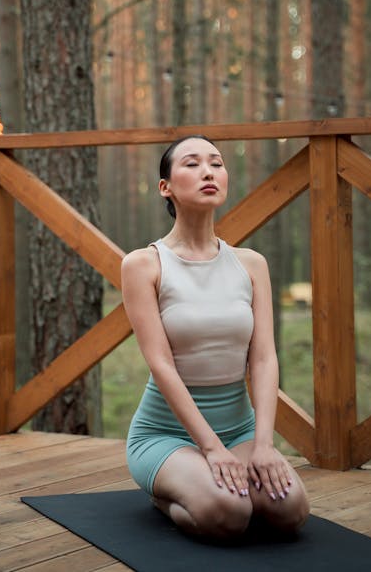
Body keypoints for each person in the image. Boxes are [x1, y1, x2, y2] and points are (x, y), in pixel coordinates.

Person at [121, 135, 310, 541]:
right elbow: (160, 364)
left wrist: (264, 445)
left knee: (290, 510)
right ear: (165, 187)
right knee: (229, 513)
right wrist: (209, 449)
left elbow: (262, 360)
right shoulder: (143, 264)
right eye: (191, 164)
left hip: (239, 432)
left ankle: (219, 476)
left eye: (216, 163)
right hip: (166, 435)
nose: (208, 171)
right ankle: (164, 494)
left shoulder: (251, 264)